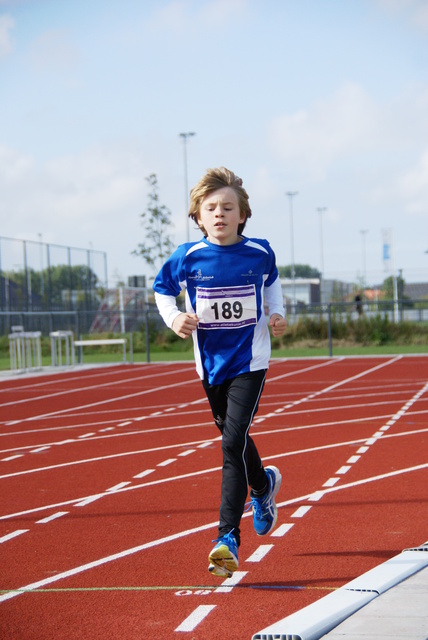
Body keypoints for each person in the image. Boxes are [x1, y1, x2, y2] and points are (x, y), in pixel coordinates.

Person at [153, 167, 287, 577]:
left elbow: (271, 284)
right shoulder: (188, 256)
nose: (220, 214)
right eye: (211, 208)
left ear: (242, 214)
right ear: (198, 216)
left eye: (228, 207)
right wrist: (174, 318)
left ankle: (226, 537)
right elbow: (161, 289)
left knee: (231, 442)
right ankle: (262, 487)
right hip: (210, 365)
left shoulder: (260, 252)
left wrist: (278, 313)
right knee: (234, 437)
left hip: (250, 361)